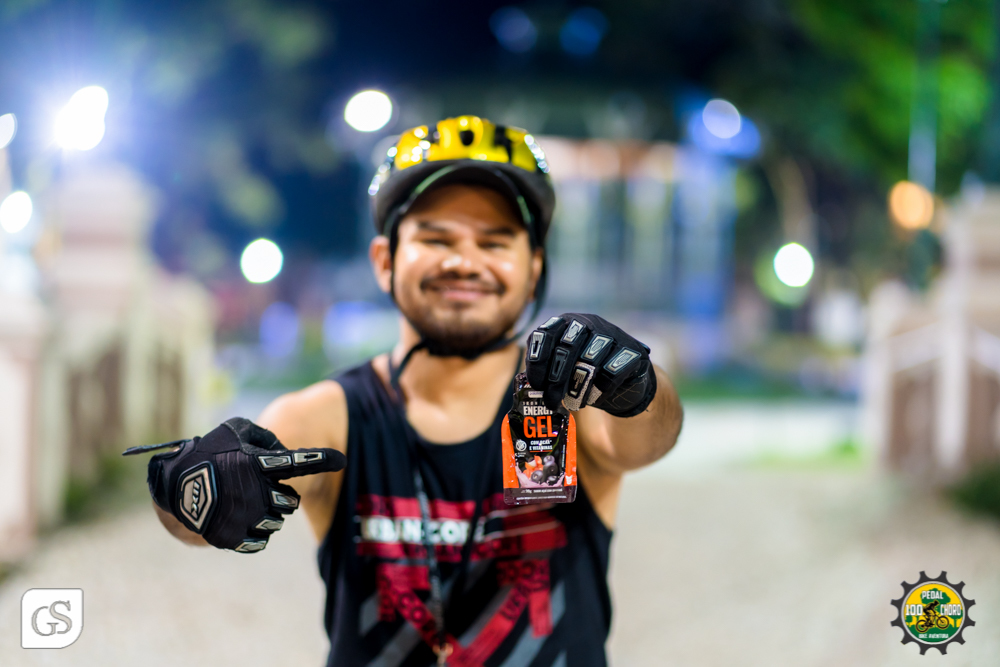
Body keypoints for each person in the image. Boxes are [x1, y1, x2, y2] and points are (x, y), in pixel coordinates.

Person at [135, 116, 684, 666]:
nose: (464, 262)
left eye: (494, 242)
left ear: (534, 268)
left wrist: (636, 387)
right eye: (435, 238)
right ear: (384, 260)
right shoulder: (330, 416)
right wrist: (193, 487)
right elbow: (193, 524)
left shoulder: (572, 405)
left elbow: (652, 436)